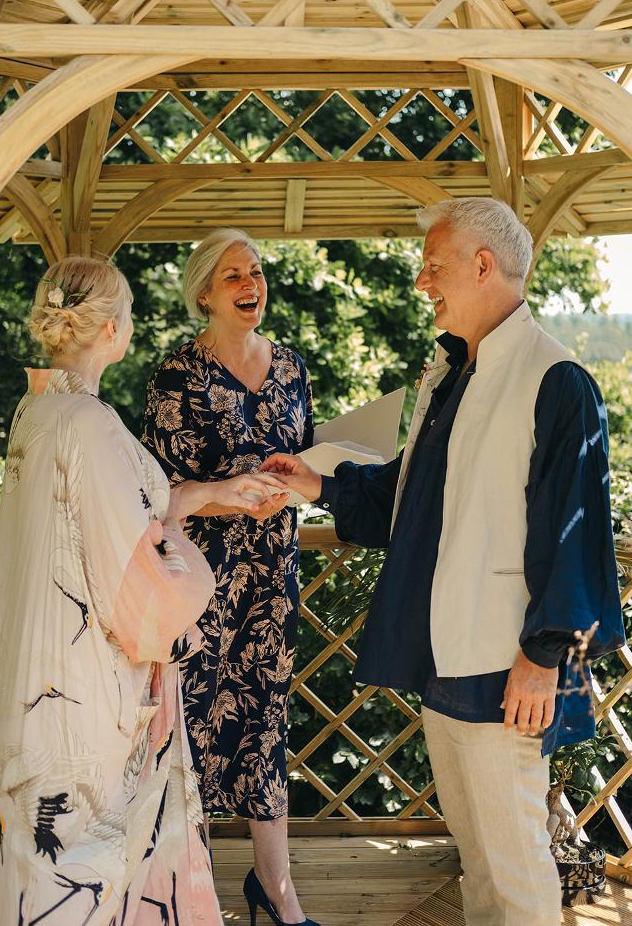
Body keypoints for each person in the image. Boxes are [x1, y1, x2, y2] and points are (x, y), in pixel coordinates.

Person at [262, 198, 626, 926]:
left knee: (515, 859)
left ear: (482, 266)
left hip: (508, 665)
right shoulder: (452, 376)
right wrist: (320, 486)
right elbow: (412, 495)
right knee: (479, 855)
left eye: (435, 266)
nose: (423, 282)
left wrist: (544, 657)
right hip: (445, 652)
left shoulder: (556, 382)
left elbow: (575, 534)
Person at [0, 255, 286, 926]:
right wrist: (191, 583)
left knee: (32, 861)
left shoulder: (41, 408)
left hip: (26, 664)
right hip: (80, 678)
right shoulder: (91, 424)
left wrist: (212, 492)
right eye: (132, 315)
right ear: (111, 329)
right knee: (84, 859)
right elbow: (135, 585)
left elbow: (128, 502)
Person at [141, 229, 318, 926]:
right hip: (199, 580)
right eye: (234, 274)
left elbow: (303, 466)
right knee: (195, 723)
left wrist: (293, 487)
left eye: (257, 270)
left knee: (266, 720)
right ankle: (196, 891)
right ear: (205, 293)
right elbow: (157, 492)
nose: (252, 283)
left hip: (272, 573)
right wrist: (229, 492)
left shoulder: (293, 367)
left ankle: (276, 889)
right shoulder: (174, 376)